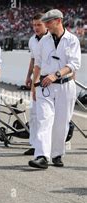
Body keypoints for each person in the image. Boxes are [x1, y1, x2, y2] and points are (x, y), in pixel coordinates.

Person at [29, 9, 81, 169]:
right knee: (44, 119)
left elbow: (74, 64)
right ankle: (42, 156)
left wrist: (55, 75)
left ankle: (57, 154)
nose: (46, 26)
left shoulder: (72, 40)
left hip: (65, 86)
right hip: (45, 87)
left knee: (61, 122)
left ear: (58, 21)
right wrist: (33, 85)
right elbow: (37, 64)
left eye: (48, 22)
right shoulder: (44, 41)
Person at [23, 13, 48, 156]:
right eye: (34, 25)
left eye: (39, 24)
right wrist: (28, 77)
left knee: (45, 116)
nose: (36, 28)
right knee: (33, 114)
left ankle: (45, 146)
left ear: (46, 24)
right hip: (36, 80)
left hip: (49, 81)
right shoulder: (32, 40)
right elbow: (33, 61)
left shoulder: (50, 39)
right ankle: (34, 144)